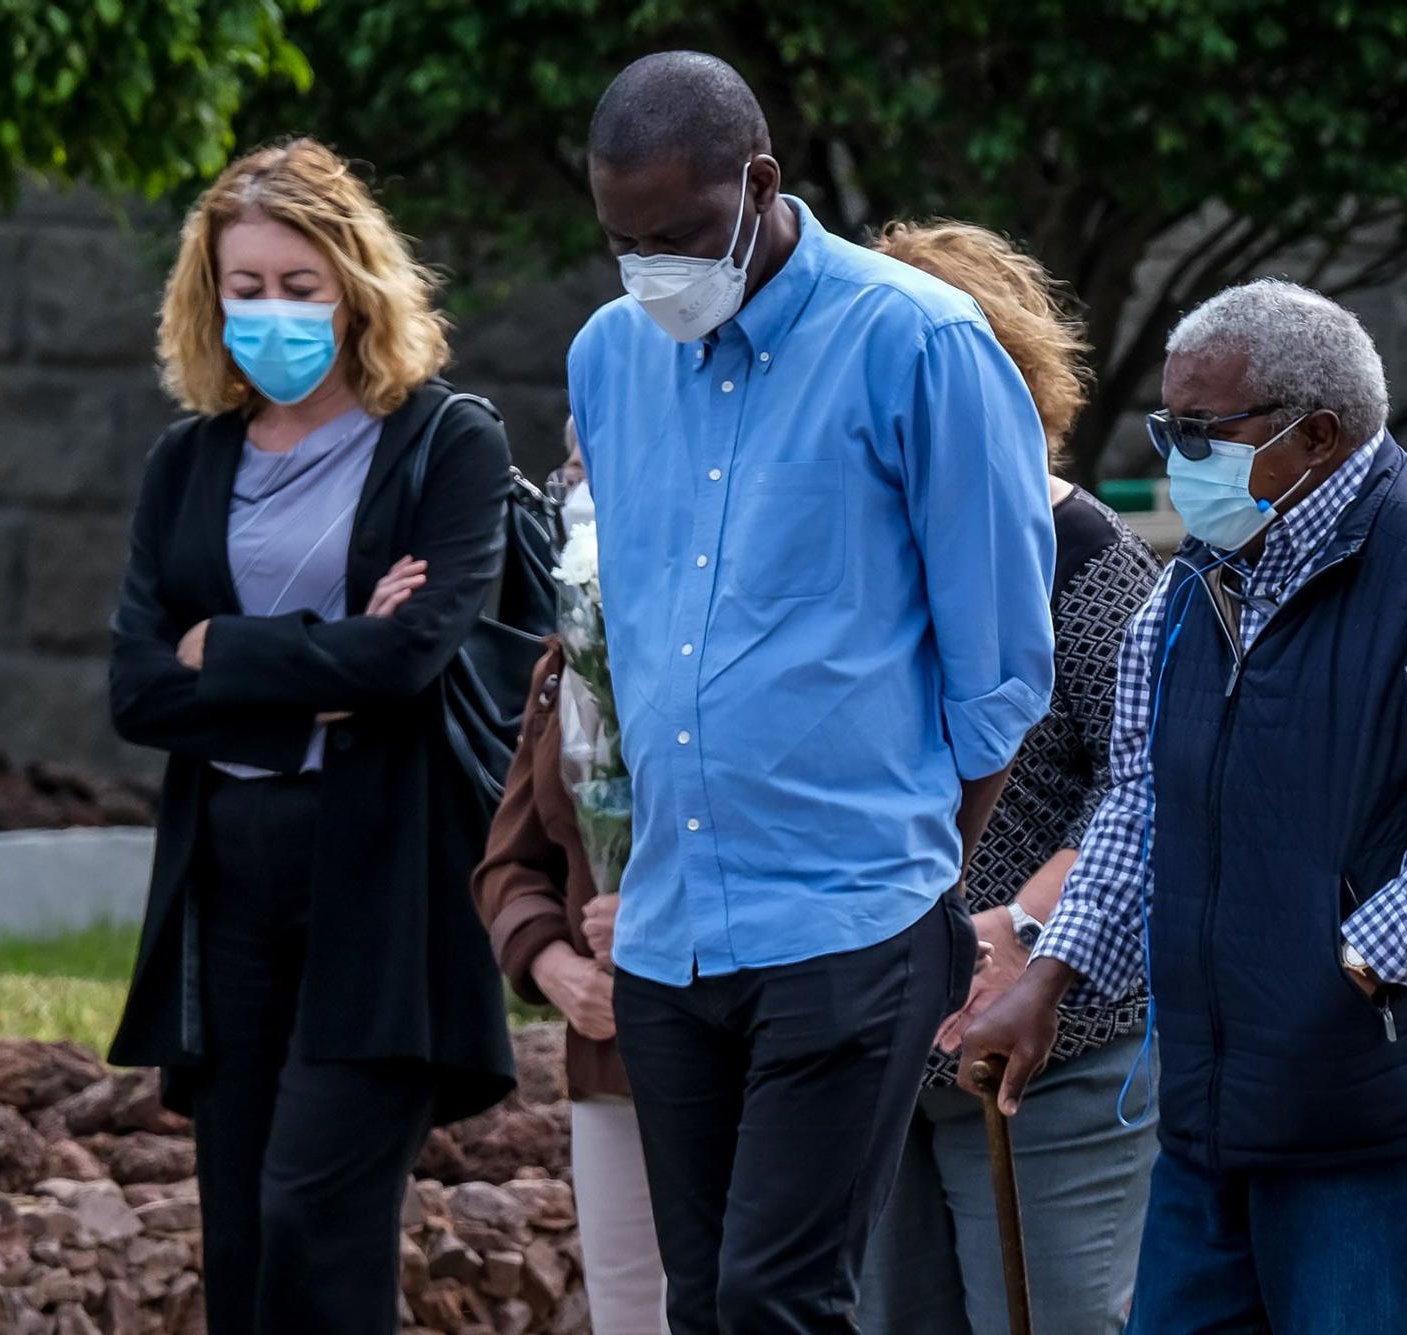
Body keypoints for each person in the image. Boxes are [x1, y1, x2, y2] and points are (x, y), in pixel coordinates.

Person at [961, 277, 1407, 1335]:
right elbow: (1146, 805)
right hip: (1224, 1102)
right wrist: (1051, 974)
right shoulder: (1197, 581)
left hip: (1387, 1106)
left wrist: (1354, 965)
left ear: (1318, 434)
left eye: (1203, 429)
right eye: (1167, 424)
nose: (1174, 455)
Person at [567, 52, 1056, 1334]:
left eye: (676, 235)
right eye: (623, 241)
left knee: (779, 1300)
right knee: (707, 1307)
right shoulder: (609, 357)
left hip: (852, 915)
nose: (650, 269)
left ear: (761, 184)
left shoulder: (920, 343)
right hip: (673, 932)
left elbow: (1000, 664)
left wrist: (912, 872)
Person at [105, 138, 517, 1335]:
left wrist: (220, 649)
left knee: (312, 1219)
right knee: (236, 1233)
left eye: (300, 285)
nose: (271, 311)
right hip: (225, 868)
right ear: (208, 294)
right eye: (247, 286)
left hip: (381, 875)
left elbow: (407, 660)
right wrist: (312, 658)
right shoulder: (187, 463)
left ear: (354, 286)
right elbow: (135, 690)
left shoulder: (448, 444)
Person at [858, 221, 1159, 1334]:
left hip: (1055, 1056)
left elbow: (1150, 779)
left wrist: (1020, 933)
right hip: (875, 1048)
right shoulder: (850, 552)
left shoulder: (1082, 556)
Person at [470, 434, 668, 1334]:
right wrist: (554, 966)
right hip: (607, 1047)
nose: (579, 488)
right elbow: (510, 862)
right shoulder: (563, 665)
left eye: (601, 463)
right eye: (572, 468)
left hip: (737, 1037)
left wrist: (663, 914)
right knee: (629, 1308)